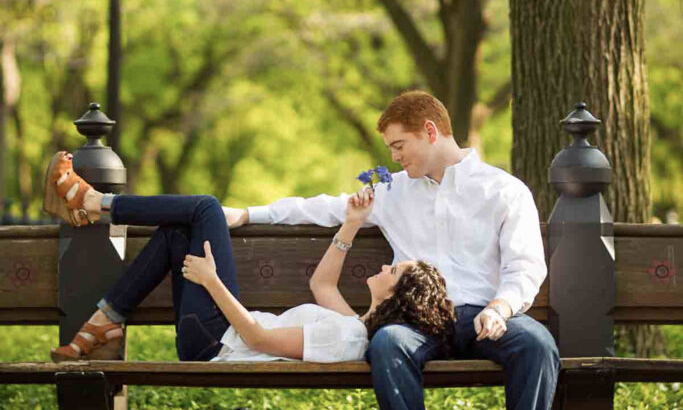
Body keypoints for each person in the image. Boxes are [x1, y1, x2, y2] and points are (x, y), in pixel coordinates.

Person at [224, 90, 560, 410]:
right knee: (387, 343)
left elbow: (526, 267)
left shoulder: (504, 190)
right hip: (418, 320)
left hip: (484, 315)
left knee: (538, 345)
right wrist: (249, 214)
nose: (396, 157)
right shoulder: (392, 192)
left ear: (431, 132)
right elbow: (322, 207)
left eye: (400, 146)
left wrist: (501, 307)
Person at [44, 152, 453, 375]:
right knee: (174, 232)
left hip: (214, 343)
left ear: (396, 297)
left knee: (205, 207)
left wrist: (211, 280)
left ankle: (94, 203)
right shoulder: (355, 327)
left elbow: (259, 341)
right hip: (215, 336)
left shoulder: (347, 340)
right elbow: (322, 287)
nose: (386, 267)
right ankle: (108, 319)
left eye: (394, 271)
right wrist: (350, 224)